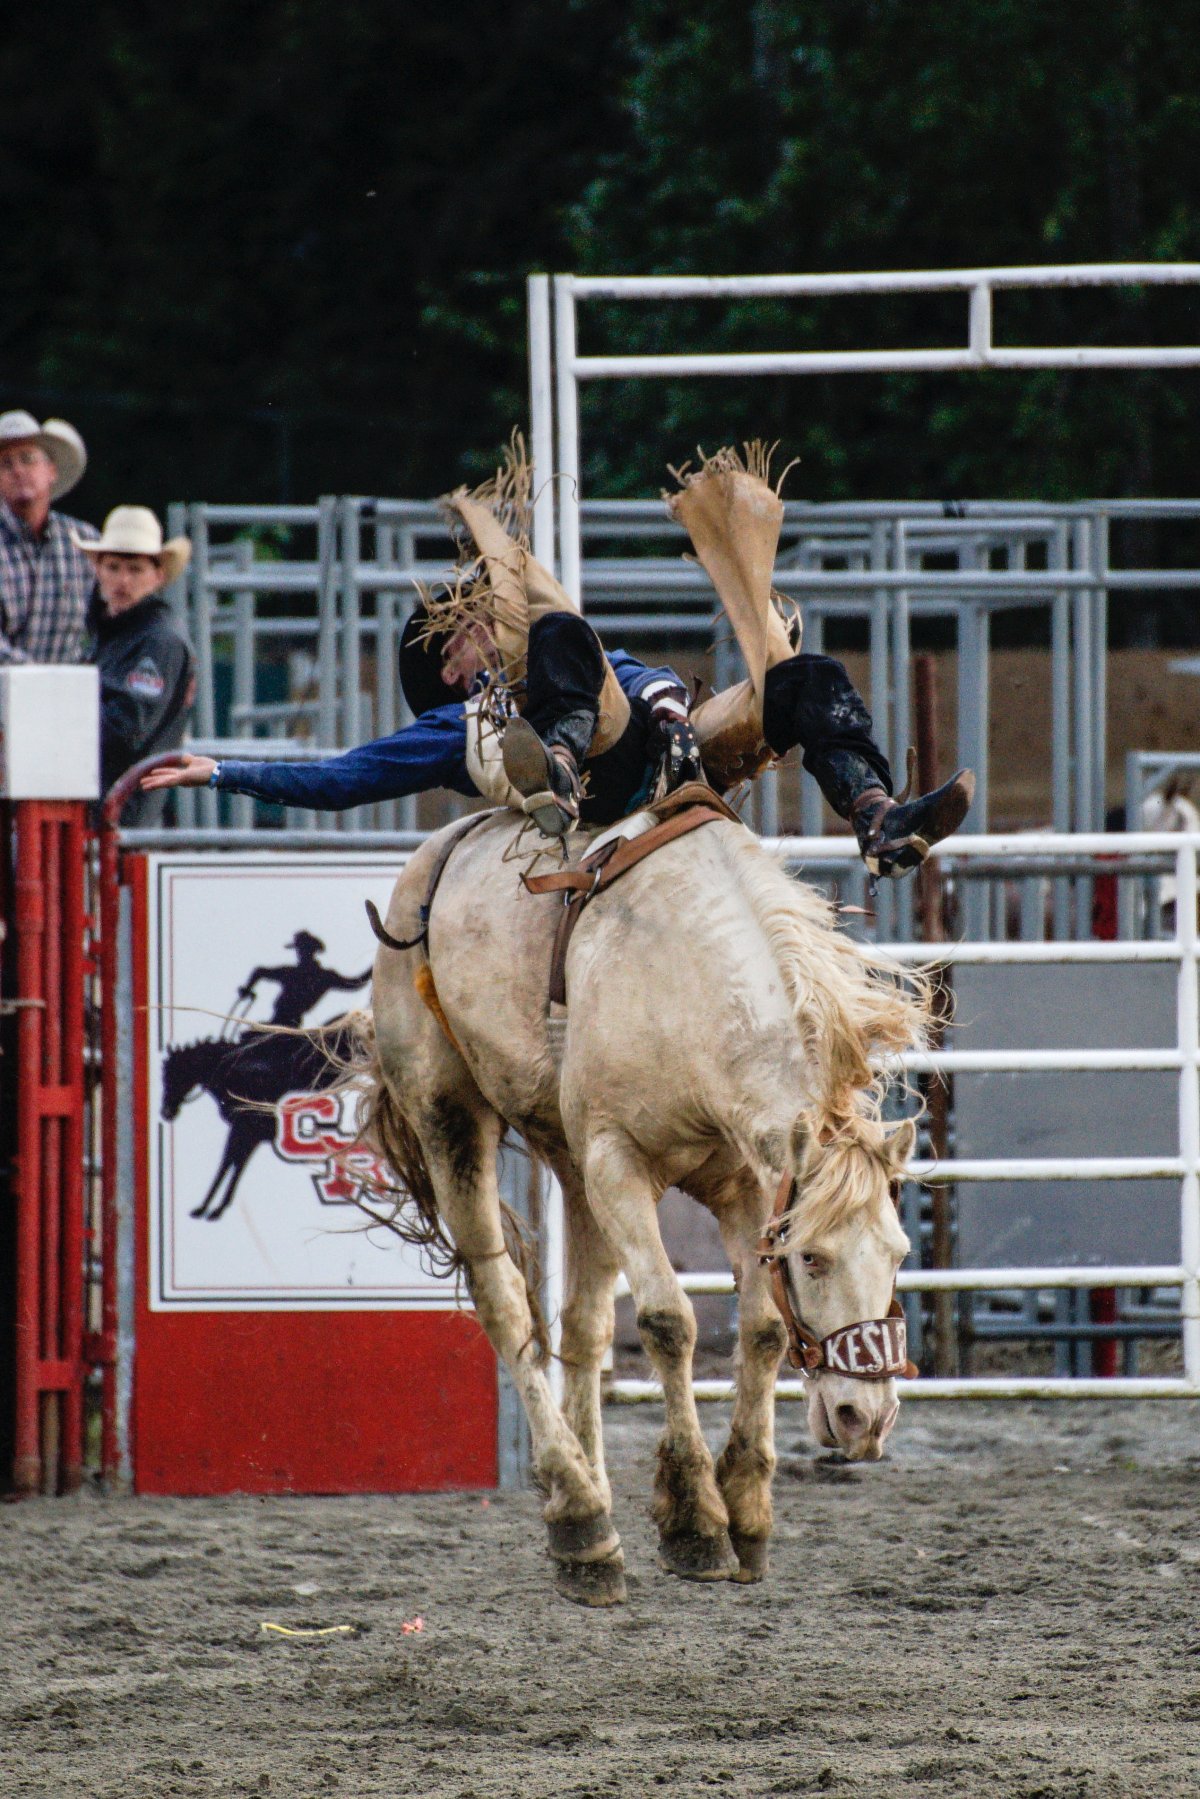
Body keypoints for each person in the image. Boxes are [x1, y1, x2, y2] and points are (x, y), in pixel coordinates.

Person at [143, 443, 971, 878]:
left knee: (807, 677)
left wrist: (662, 704)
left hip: (666, 752)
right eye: (466, 627)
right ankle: (558, 770)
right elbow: (342, 778)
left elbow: (631, 670)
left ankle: (875, 814)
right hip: (608, 789)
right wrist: (222, 771)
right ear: (453, 662)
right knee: (565, 632)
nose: (484, 623)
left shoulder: (572, 656)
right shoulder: (452, 723)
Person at [75, 506, 196, 824]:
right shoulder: (114, 632)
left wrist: (58, 720)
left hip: (120, 817)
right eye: (113, 567)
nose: (123, 581)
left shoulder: (158, 640)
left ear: (158, 576)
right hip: (103, 810)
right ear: (98, 569)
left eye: (135, 569)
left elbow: (125, 730)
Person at [0, 410, 96, 663]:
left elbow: (119, 615)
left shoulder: (84, 542)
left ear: (51, 471)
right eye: (6, 464)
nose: (18, 470)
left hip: (68, 692)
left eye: (27, 459)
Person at [236, 931, 372, 1029]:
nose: (300, 953)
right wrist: (247, 989)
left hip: (288, 1025)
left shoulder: (321, 976)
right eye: (299, 949)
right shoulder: (297, 972)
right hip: (280, 1023)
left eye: (302, 949)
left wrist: (378, 966)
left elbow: (356, 983)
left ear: (310, 951)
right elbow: (259, 971)